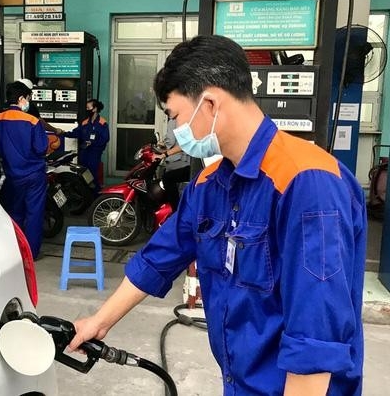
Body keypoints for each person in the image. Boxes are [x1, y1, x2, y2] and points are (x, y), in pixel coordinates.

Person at [68, 35, 367, 395]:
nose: (176, 131)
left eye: (175, 116)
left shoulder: (307, 182)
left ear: (209, 103)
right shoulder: (208, 184)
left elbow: (315, 336)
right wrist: (98, 322)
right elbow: (159, 258)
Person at [0, 81, 48, 259]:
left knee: (13, 213)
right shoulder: (32, 121)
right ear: (21, 98)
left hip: (11, 175)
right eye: (28, 99)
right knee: (34, 214)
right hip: (34, 175)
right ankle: (31, 253)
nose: (28, 102)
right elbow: (41, 148)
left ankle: (15, 252)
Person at [64, 99, 109, 193]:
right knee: (83, 176)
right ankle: (85, 197)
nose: (87, 110)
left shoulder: (102, 123)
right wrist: (63, 133)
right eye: (86, 108)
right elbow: (76, 133)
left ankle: (96, 196)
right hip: (84, 153)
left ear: (95, 109)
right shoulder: (85, 122)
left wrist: (93, 143)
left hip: (94, 154)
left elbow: (105, 139)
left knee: (92, 176)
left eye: (88, 108)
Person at [154, 116, 191, 211]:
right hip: (188, 160)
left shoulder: (174, 120)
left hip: (177, 159)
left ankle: (176, 212)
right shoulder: (188, 119)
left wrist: (163, 147)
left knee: (168, 180)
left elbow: (170, 141)